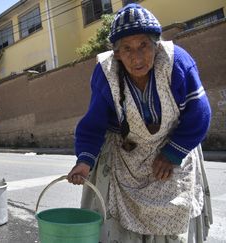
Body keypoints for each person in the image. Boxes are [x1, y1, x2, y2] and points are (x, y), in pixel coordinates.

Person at [67, 3, 212, 242]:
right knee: (118, 222)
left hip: (174, 149)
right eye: (127, 49)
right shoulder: (106, 73)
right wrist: (84, 161)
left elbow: (200, 113)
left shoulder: (177, 63)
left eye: (144, 45)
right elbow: (93, 123)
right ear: (116, 53)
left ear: (156, 43)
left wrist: (172, 153)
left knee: (174, 217)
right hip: (126, 156)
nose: (137, 57)